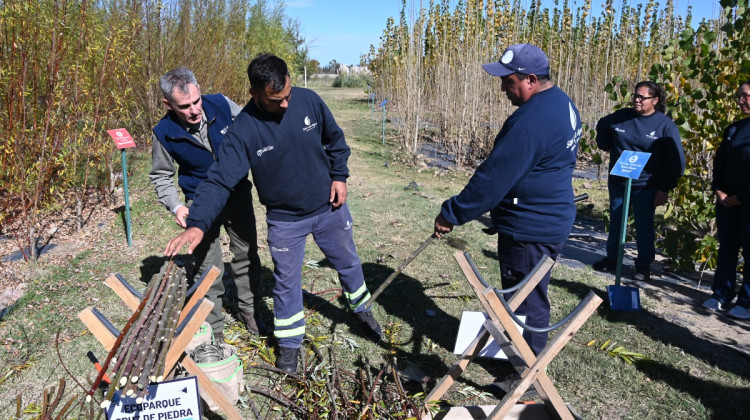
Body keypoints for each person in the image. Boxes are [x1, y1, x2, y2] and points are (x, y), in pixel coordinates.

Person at [164, 54, 382, 373]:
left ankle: (362, 310)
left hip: (328, 208)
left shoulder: (309, 101)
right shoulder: (243, 131)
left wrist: (340, 176)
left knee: (347, 261)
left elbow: (335, 141)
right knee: (286, 284)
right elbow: (220, 179)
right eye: (275, 99)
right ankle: (290, 346)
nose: (284, 105)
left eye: (287, 95)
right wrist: (197, 224)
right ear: (254, 93)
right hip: (285, 221)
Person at [434, 44, 582, 366]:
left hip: (530, 227)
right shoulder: (562, 102)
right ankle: (525, 364)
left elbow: (492, 181)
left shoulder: (529, 122)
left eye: (508, 80)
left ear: (530, 79)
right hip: (551, 217)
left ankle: (526, 378)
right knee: (531, 296)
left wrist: (451, 213)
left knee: (526, 303)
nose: (502, 87)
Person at [150, 68, 263, 342]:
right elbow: (161, 176)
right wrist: (177, 207)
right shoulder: (164, 132)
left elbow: (253, 129)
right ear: (167, 104)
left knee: (247, 255)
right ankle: (214, 331)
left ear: (200, 90)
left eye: (196, 101)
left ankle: (251, 311)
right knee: (207, 269)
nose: (194, 111)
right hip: (199, 205)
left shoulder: (222, 105)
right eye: (184, 106)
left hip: (237, 195)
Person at [592, 81, 685, 281]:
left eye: (643, 97)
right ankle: (612, 259)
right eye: (636, 95)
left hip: (645, 186)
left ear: (655, 100)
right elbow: (602, 126)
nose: (637, 100)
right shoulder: (622, 117)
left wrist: (664, 188)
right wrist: (607, 145)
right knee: (616, 221)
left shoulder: (665, 126)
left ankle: (643, 266)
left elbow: (676, 162)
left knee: (644, 225)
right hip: (619, 182)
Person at [701, 80, 750, 320]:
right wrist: (718, 189)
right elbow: (719, 163)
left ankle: (746, 301)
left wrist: (741, 197)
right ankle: (721, 294)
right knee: (728, 249)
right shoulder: (734, 129)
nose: (741, 100)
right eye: (739, 96)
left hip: (746, 201)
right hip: (727, 201)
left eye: (746, 95)